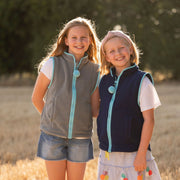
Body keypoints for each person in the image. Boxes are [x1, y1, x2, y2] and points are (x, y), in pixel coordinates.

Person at [32, 17, 100, 180]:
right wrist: (51, 118)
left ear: (90, 40)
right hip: (52, 136)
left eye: (83, 37)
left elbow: (95, 111)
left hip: (81, 137)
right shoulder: (53, 64)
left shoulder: (95, 71)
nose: (79, 41)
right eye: (74, 38)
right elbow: (36, 98)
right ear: (66, 40)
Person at [97, 30, 161, 180]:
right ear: (106, 57)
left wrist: (141, 154)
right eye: (111, 51)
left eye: (121, 48)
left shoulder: (142, 81)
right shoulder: (104, 81)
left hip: (134, 154)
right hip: (108, 154)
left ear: (130, 49)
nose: (117, 53)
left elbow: (149, 120)